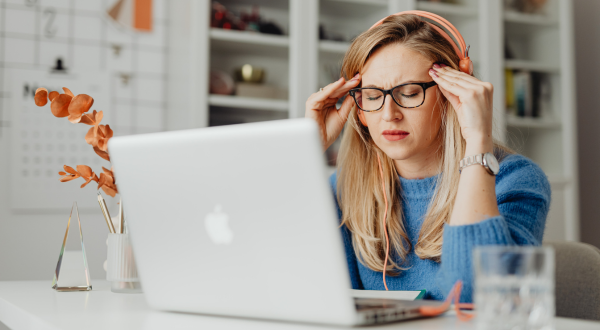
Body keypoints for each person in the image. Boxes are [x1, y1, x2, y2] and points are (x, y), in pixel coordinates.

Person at [305, 13, 551, 302]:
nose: (389, 114)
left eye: (409, 93)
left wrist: (477, 145)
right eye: (372, 96)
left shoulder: (515, 181)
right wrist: (305, 153)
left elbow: (474, 298)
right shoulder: (344, 187)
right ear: (357, 107)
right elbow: (308, 291)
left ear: (452, 94)